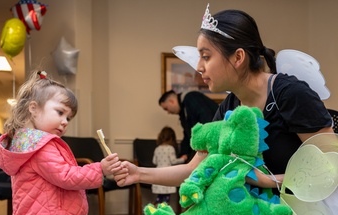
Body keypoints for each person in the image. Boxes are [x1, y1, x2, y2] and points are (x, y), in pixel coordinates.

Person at [114, 4, 333, 198]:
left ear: (238, 57)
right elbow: (196, 167)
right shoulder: (230, 105)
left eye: (206, 56)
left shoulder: (290, 94)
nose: (199, 67)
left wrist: (270, 180)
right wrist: (138, 173)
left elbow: (330, 165)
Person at [0, 71, 122, 215]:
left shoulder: (24, 142)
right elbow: (67, 176)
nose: (65, 121)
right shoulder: (40, 146)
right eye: (60, 112)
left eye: (68, 118)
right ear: (33, 108)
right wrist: (100, 169)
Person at [159, 90, 218, 162]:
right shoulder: (183, 112)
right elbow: (188, 136)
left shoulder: (191, 98)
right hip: (206, 145)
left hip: (214, 142)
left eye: (166, 108)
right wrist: (182, 155)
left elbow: (207, 119)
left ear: (171, 101)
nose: (168, 112)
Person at [152, 126, 186, 205]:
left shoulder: (157, 149)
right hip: (167, 174)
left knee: (160, 196)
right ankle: (164, 212)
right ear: (172, 138)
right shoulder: (170, 148)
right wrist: (183, 159)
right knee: (166, 198)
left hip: (158, 174)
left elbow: (154, 161)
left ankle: (155, 208)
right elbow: (173, 161)